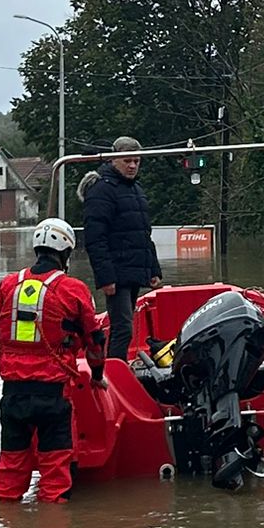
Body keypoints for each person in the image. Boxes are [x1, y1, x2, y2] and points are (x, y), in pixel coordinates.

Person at [0, 217, 106, 504]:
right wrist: (97, 373)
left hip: (13, 394)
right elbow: (95, 341)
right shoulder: (73, 289)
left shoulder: (8, 285)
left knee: (9, 470)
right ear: (66, 252)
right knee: (55, 479)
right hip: (52, 395)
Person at [79, 136, 162, 367]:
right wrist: (106, 278)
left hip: (134, 266)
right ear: (114, 160)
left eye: (137, 161)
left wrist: (153, 269)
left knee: (126, 324)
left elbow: (143, 233)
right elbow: (95, 238)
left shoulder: (135, 189)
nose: (133, 166)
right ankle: (114, 372)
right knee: (122, 327)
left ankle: (118, 367)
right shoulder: (102, 190)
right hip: (116, 272)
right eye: (128, 161)